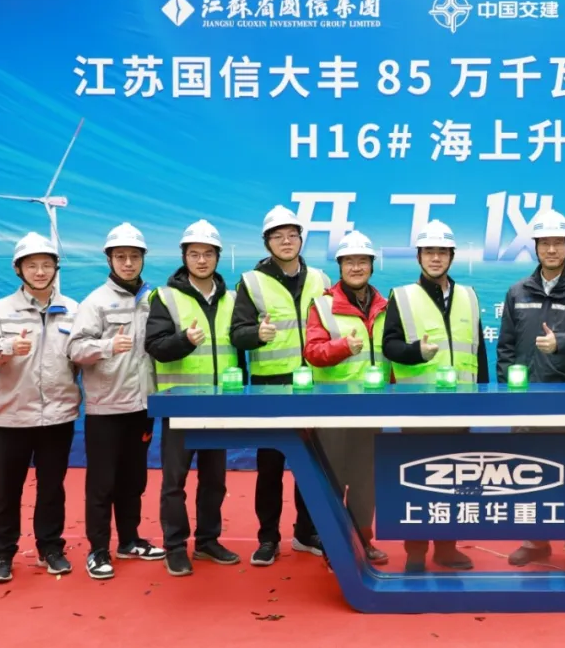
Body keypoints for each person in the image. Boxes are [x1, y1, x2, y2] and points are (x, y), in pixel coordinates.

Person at [497, 209, 565, 572]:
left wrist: (560, 342)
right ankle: (534, 539)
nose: (551, 249)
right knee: (528, 469)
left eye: (558, 242)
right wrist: (508, 392)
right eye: (545, 243)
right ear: (536, 247)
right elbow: (506, 347)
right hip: (527, 399)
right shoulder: (517, 291)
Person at [0, 232, 80, 583]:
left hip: (58, 417)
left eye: (46, 264)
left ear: (56, 268)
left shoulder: (73, 310)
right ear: (18, 269)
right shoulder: (0, 310)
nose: (40, 271)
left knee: (52, 488)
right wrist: (6, 347)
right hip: (12, 418)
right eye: (32, 265)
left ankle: (51, 548)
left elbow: (81, 354)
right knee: (7, 490)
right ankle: (2, 554)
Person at [229, 204, 332, 567]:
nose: (286, 242)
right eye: (278, 236)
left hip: (315, 384)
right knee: (270, 466)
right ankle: (268, 538)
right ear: (267, 242)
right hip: (270, 386)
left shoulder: (320, 279)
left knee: (313, 465)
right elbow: (237, 334)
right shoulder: (252, 281)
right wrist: (257, 334)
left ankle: (306, 532)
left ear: (301, 239)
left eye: (292, 235)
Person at [382, 219, 488, 573]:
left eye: (442, 252)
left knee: (456, 477)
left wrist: (482, 395)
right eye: (429, 251)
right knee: (418, 478)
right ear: (419, 256)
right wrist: (416, 352)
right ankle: (415, 551)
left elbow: (478, 350)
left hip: (461, 404)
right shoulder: (402, 296)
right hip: (418, 405)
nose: (436, 258)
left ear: (452, 256)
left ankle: (447, 548)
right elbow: (389, 346)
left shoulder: (469, 296)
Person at [68, 223, 166, 581]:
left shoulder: (154, 299)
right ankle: (98, 550)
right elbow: (75, 349)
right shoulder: (95, 302)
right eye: (121, 256)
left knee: (134, 479)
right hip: (106, 407)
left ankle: (129, 540)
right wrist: (108, 346)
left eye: (134, 256)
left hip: (142, 406)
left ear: (143, 259)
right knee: (102, 483)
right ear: (109, 259)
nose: (128, 263)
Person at [145, 219, 242, 576]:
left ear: (218, 257)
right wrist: (184, 340)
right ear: (184, 257)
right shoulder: (165, 297)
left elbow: (240, 345)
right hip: (180, 404)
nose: (201, 260)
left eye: (208, 254)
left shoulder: (232, 299)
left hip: (219, 404)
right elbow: (155, 346)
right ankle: (174, 546)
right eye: (194, 254)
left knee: (215, 480)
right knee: (175, 482)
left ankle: (207, 541)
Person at [303, 230, 388, 565]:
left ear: (372, 265)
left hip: (372, 409)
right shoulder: (322, 306)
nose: (356, 267)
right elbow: (312, 352)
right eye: (349, 261)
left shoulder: (384, 305)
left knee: (366, 482)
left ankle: (363, 542)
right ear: (339, 266)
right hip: (334, 410)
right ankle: (334, 546)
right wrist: (342, 348)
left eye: (362, 261)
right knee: (333, 480)